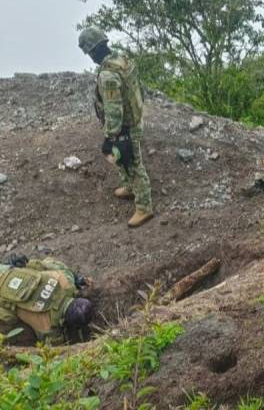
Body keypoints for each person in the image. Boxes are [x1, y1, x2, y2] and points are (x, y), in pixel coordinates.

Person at [78, 27, 154, 228]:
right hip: (134, 118)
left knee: (133, 163)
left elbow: (114, 110)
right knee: (123, 159)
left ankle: (144, 207)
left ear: (93, 51)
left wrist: (111, 136)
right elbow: (139, 87)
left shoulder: (108, 75)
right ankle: (129, 187)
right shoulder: (122, 59)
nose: (90, 58)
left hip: (125, 126)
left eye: (89, 53)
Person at [0, 255, 93, 345]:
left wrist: (77, 280)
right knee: (10, 321)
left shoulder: (66, 283)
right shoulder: (48, 326)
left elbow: (53, 263)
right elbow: (53, 347)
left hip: (6, 270)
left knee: (41, 266)